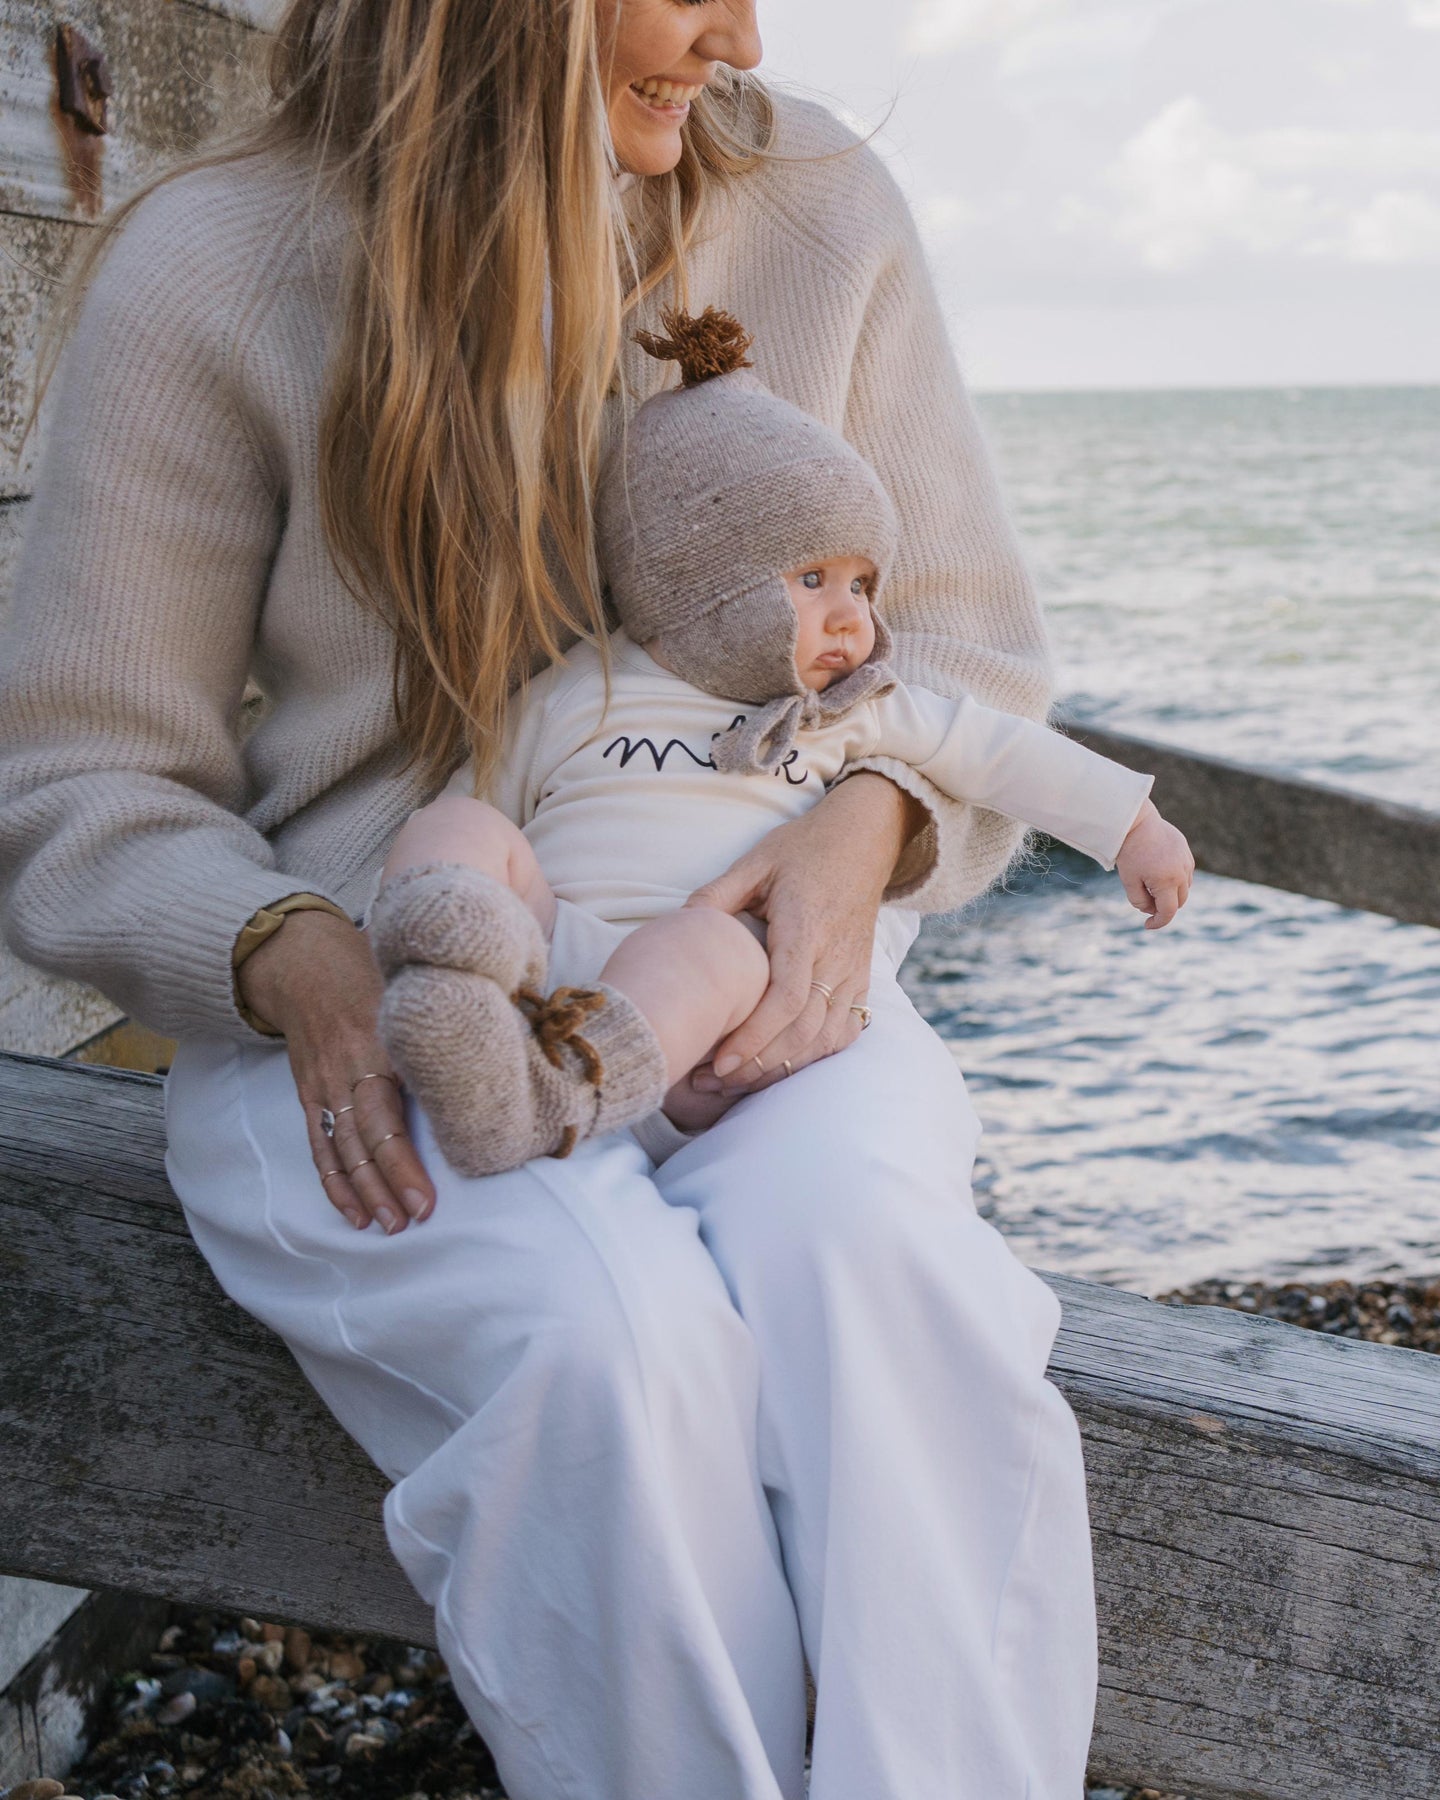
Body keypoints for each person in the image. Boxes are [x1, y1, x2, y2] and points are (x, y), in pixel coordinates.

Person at [0, 2, 1115, 1794]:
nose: (740, 32)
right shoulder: (219, 264)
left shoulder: (820, 206)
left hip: (756, 990)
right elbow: (75, 779)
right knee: (611, 1351)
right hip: (379, 1022)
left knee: (894, 1293)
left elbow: (968, 654)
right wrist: (292, 955)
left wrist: (871, 831)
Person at [372, 306, 1193, 1178]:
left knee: (711, 939)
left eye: (863, 585)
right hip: (551, 953)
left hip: (702, 999)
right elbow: (487, 797)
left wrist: (1129, 824)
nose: (853, 617)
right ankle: (444, 1000)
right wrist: (464, 872)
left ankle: (554, 1095)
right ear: (699, 572)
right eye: (812, 580)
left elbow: (998, 749)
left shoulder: (856, 709)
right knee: (453, 832)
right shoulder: (584, 685)